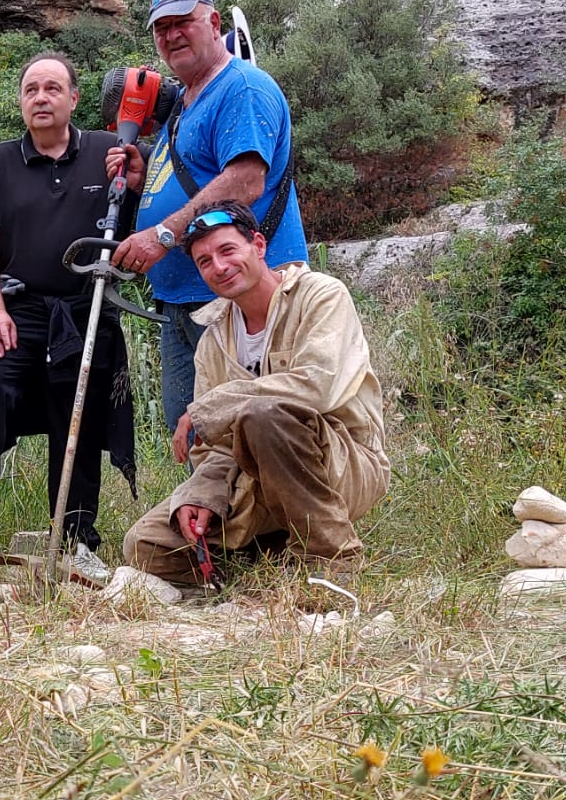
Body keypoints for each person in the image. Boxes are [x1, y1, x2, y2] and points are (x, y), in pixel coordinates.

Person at [122, 209, 386, 589]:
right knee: (146, 545)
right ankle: (268, 560)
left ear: (258, 245)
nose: (220, 267)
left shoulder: (320, 294)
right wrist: (202, 495)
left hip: (341, 463)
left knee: (264, 414)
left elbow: (320, 386)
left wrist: (213, 407)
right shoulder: (213, 337)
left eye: (228, 250)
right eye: (205, 262)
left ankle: (331, 560)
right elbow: (214, 447)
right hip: (253, 474)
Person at [0, 55, 141, 585]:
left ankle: (79, 537)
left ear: (73, 99)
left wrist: (132, 178)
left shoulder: (107, 150)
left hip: (85, 310)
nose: (41, 97)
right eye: (31, 88)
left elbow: (133, 222)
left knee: (74, 410)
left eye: (52, 87)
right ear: (21, 100)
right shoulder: (0, 160)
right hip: (19, 309)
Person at [112, 0, 308, 453]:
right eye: (162, 28)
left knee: (246, 431)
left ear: (215, 24)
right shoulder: (184, 103)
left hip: (238, 293)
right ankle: (212, 526)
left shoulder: (240, 87)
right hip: (188, 298)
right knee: (197, 436)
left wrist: (161, 233)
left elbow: (245, 179)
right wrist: (144, 180)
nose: (172, 35)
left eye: (183, 23)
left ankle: (268, 528)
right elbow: (194, 176)